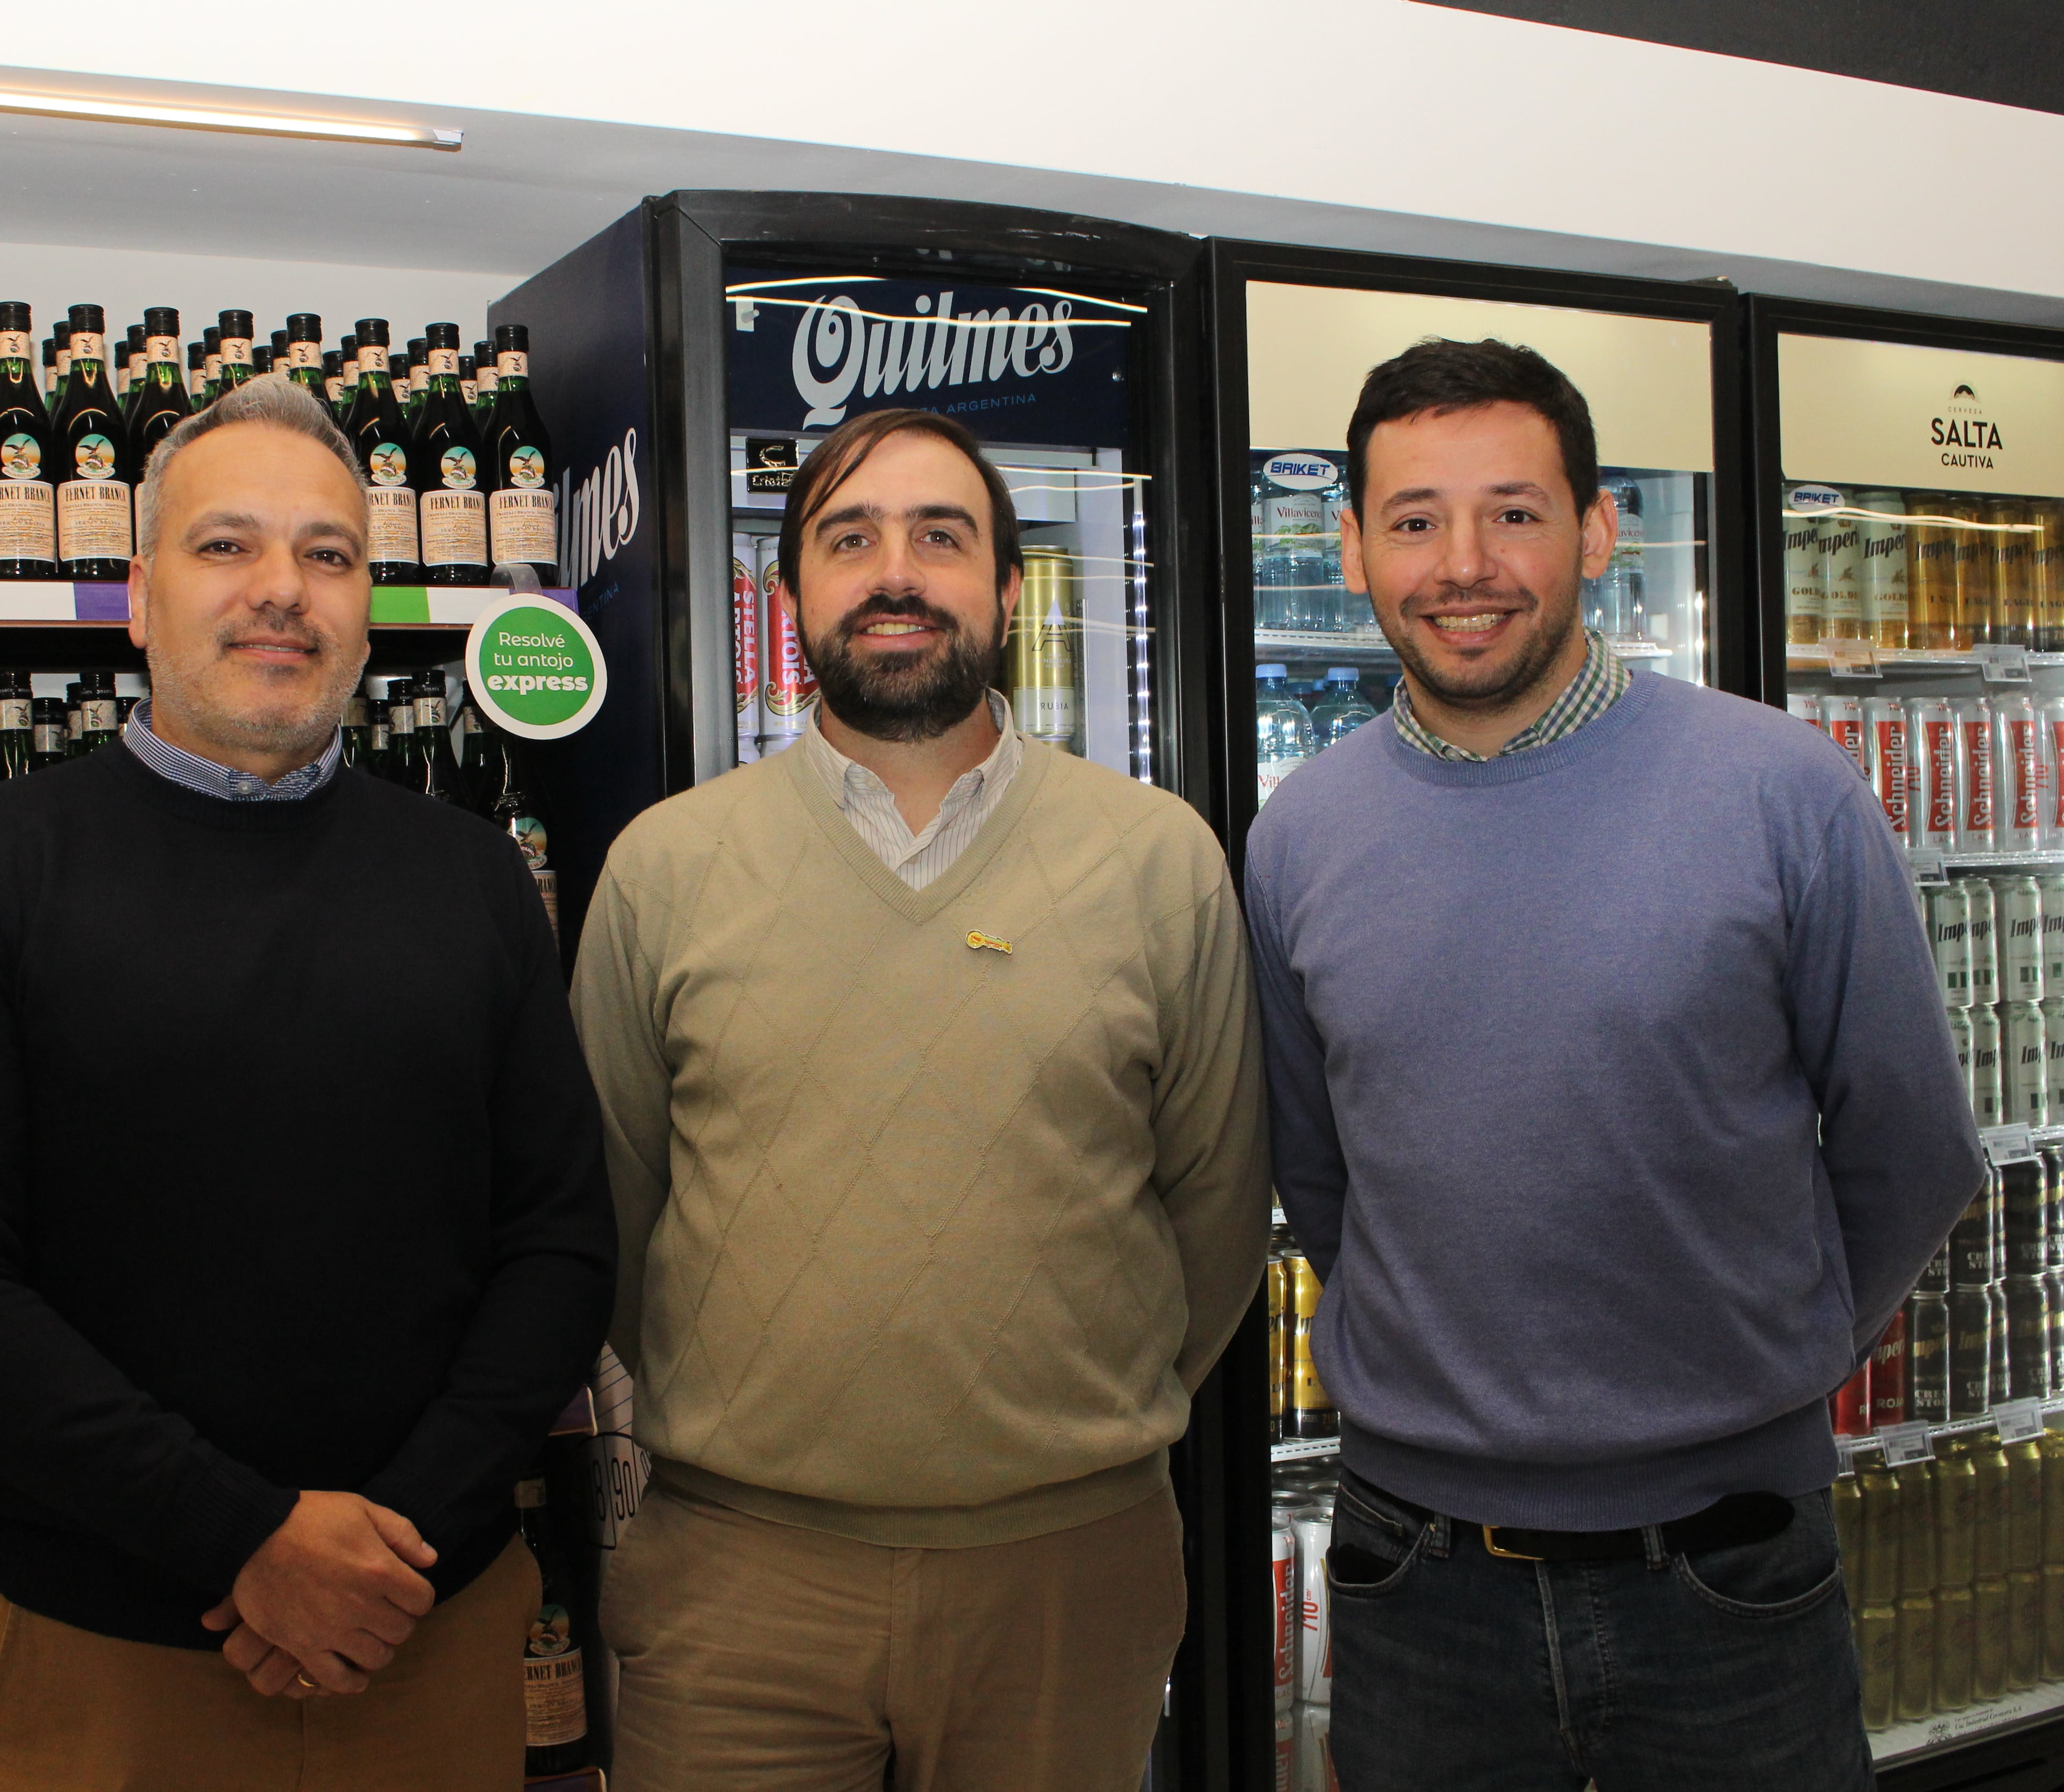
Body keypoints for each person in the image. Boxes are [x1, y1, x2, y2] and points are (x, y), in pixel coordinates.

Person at [0, 374, 615, 1792]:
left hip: (426, 1630)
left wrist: (390, 1542)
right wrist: (245, 1541)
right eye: (229, 546)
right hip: (117, 1658)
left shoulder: (472, 881)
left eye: (328, 554)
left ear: (367, 605)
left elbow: (561, 1246)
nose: (284, 589)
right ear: (140, 596)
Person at [1245, 337, 1980, 1791]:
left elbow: (1911, 1149)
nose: (1465, 562)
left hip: (1728, 1576)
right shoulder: (1299, 834)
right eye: (1414, 520)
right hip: (1416, 1582)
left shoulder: (1784, 794)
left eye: (1514, 512)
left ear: (1597, 530)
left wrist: (1768, 1359)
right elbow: (1319, 1170)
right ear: (1351, 549)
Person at [569, 406, 1269, 1792]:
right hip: (735, 1586)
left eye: (941, 537)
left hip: (1071, 1576)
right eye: (850, 539)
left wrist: (1055, 1426)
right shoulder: (664, 868)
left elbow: (1219, 1207)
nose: (896, 572)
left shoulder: (1158, 861)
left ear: (1009, 588)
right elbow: (609, 1209)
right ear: (793, 599)